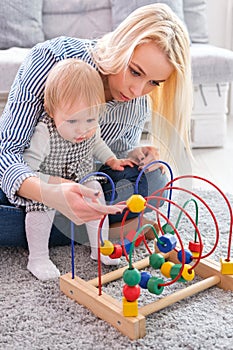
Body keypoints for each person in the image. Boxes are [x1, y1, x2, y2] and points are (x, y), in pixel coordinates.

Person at [0, 3, 192, 247]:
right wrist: (49, 193)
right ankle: (95, 227)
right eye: (135, 72)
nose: (137, 91)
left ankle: (76, 225)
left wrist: (135, 155)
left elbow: (109, 164)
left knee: (153, 182)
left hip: (80, 184)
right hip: (27, 181)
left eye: (154, 82)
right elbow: (7, 152)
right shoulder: (52, 58)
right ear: (121, 46)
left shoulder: (137, 104)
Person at [23, 58, 135, 280]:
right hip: (48, 182)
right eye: (72, 121)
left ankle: (100, 247)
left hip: (81, 178)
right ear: (52, 111)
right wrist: (51, 186)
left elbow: (97, 144)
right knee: (40, 209)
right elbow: (28, 168)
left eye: (90, 119)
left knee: (96, 195)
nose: (82, 129)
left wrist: (113, 161)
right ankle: (38, 258)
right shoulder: (45, 131)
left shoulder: (91, 126)